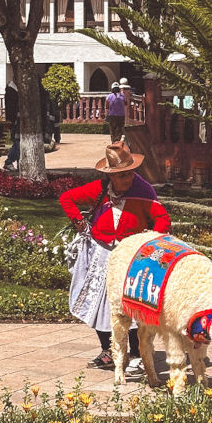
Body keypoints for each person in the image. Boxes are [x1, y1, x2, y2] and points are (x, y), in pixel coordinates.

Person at [59, 141, 170, 375]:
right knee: (100, 305)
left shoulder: (144, 191)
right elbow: (67, 198)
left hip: (131, 256)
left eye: (130, 174)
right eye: (121, 177)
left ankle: (138, 355)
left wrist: (152, 241)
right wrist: (78, 222)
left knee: (132, 306)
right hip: (102, 254)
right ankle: (108, 351)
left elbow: (161, 218)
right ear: (111, 176)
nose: (127, 180)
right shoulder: (98, 190)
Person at [3, 78, 21, 171]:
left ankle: (13, 162)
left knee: (18, 142)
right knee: (18, 142)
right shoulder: (12, 91)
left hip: (16, 121)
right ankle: (9, 161)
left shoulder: (13, 90)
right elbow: (11, 109)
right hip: (15, 121)